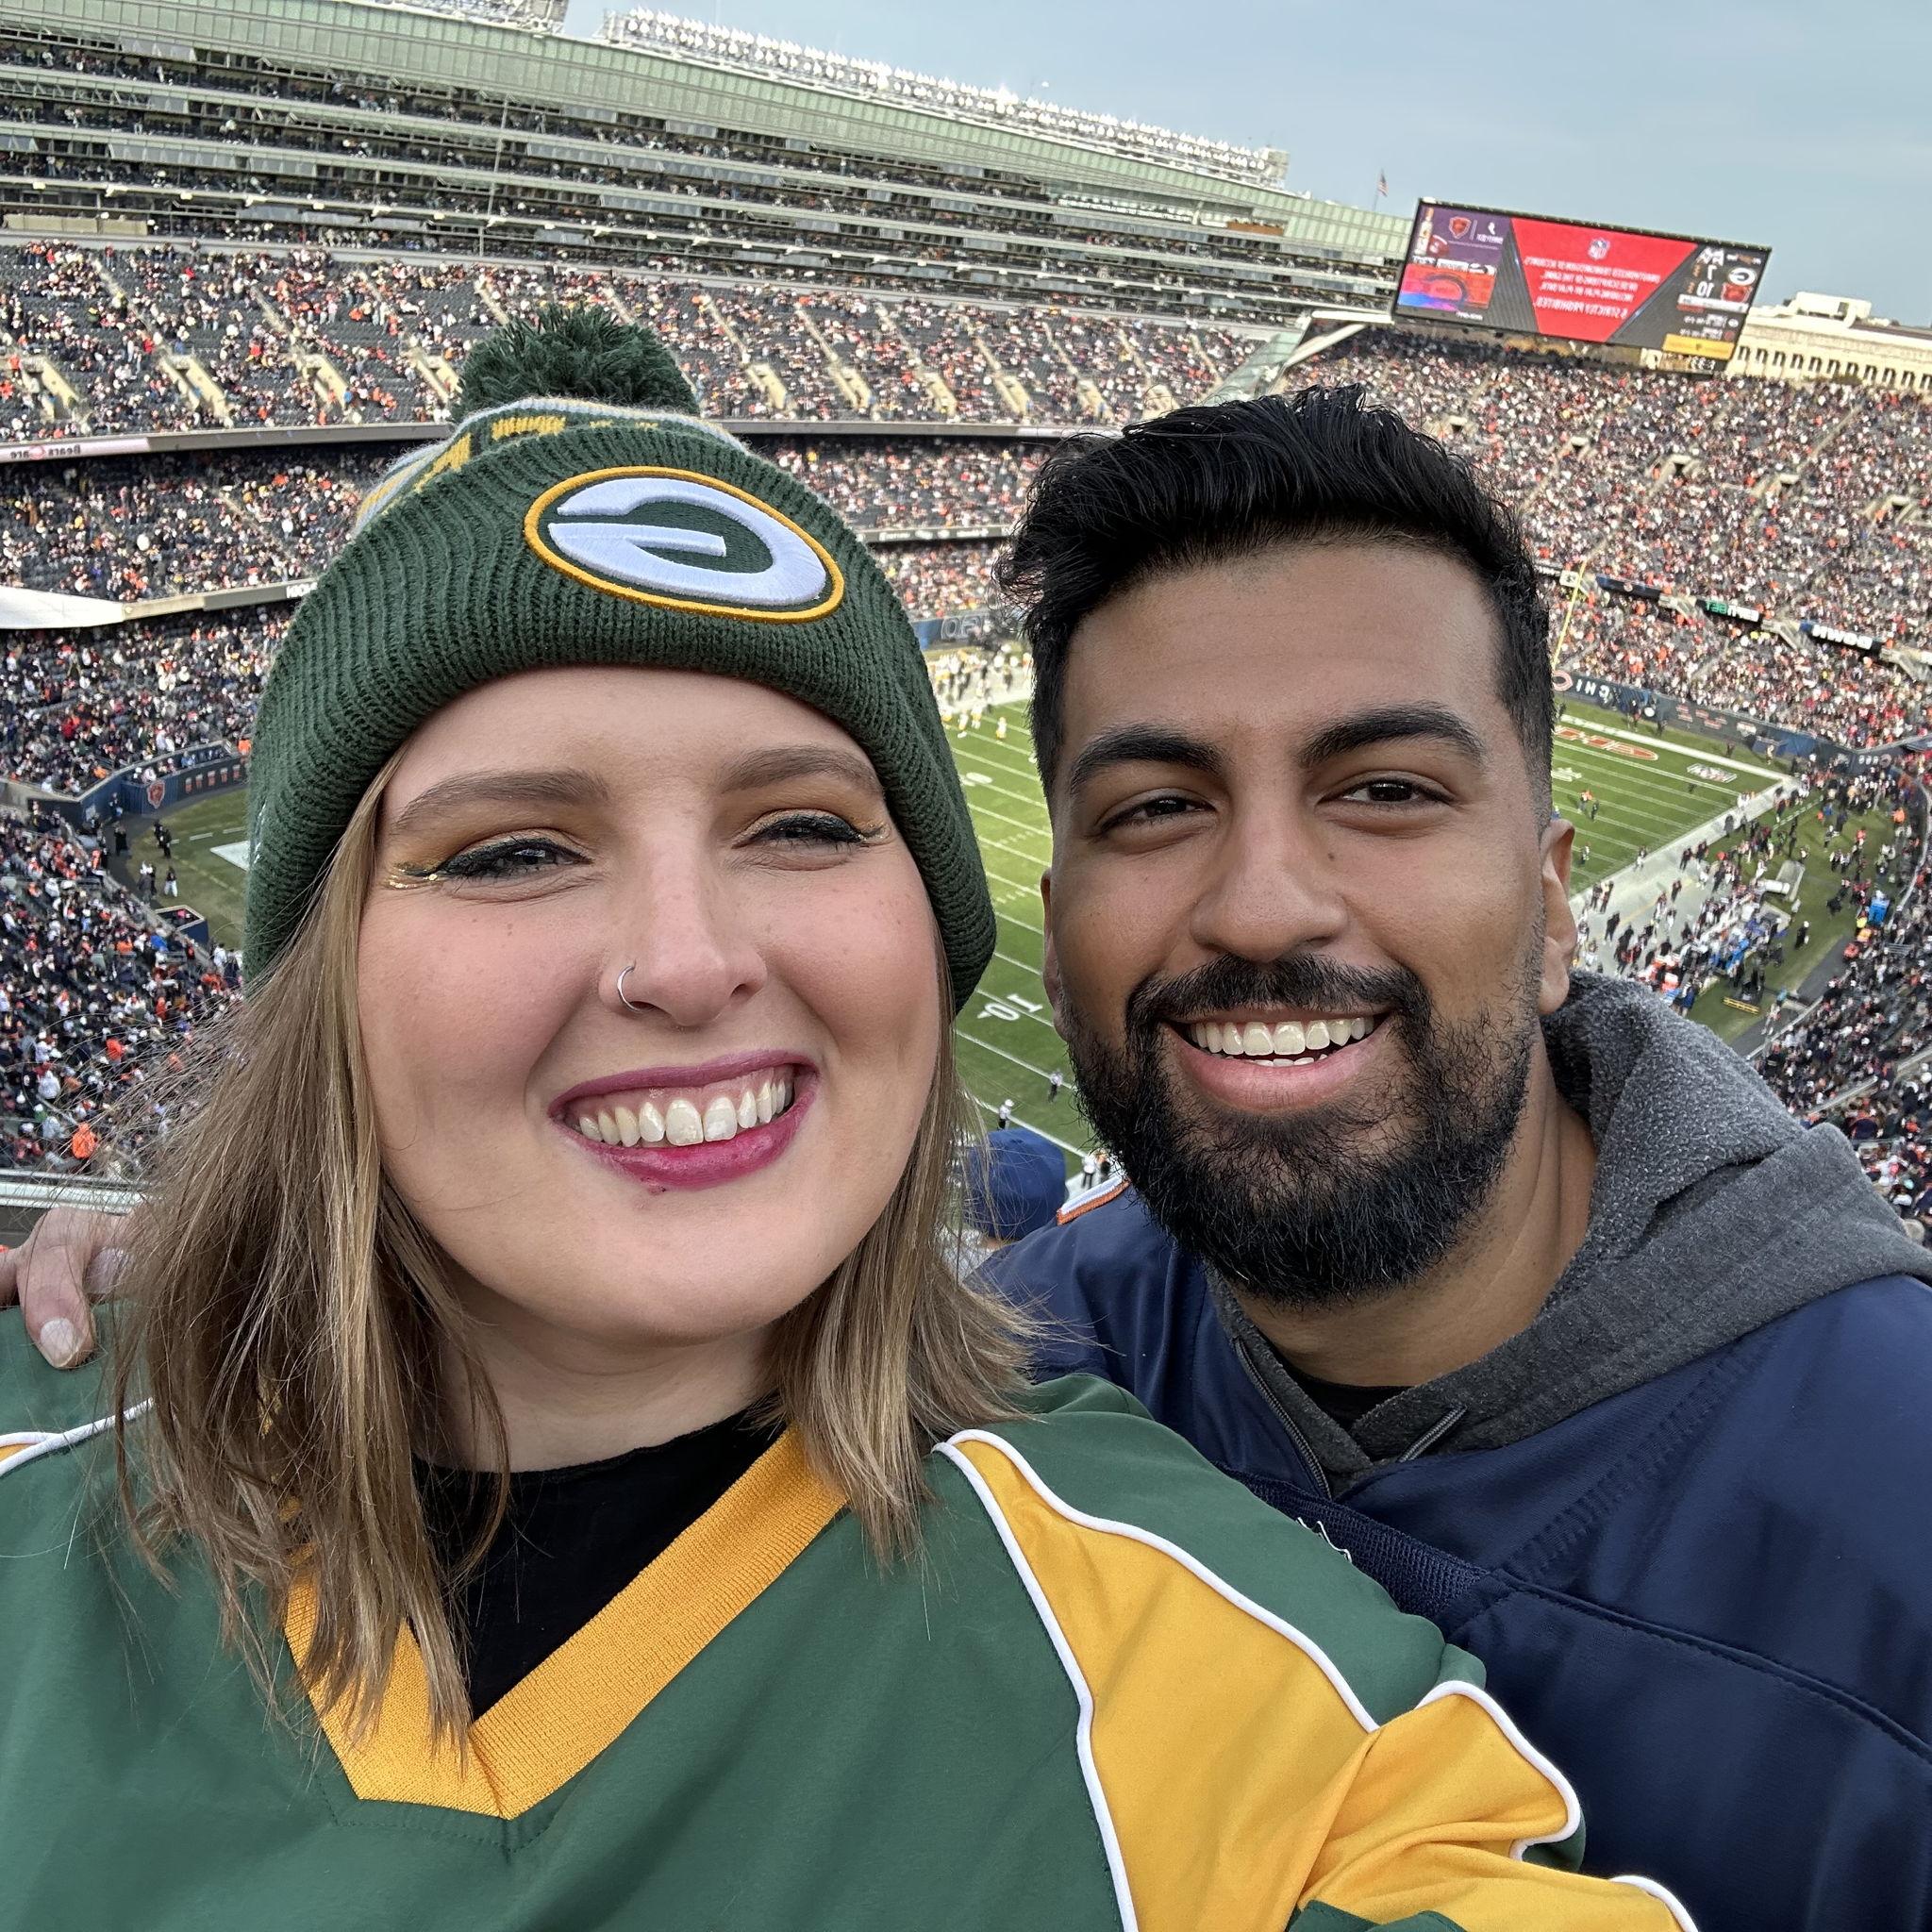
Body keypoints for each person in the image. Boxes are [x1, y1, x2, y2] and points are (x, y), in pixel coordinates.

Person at [0, 316, 1686, 1932]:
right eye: (513, 848)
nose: (688, 960)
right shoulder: (51, 1439)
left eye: (803, 827)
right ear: (320, 982)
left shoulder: (1253, 1698)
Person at [971, 390, 1932, 1932]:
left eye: (1387, 791)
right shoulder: (1000, 1368)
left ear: (1555, 907)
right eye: (1157, 808)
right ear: (1056, 905)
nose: (1264, 907)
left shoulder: (1896, 1517)